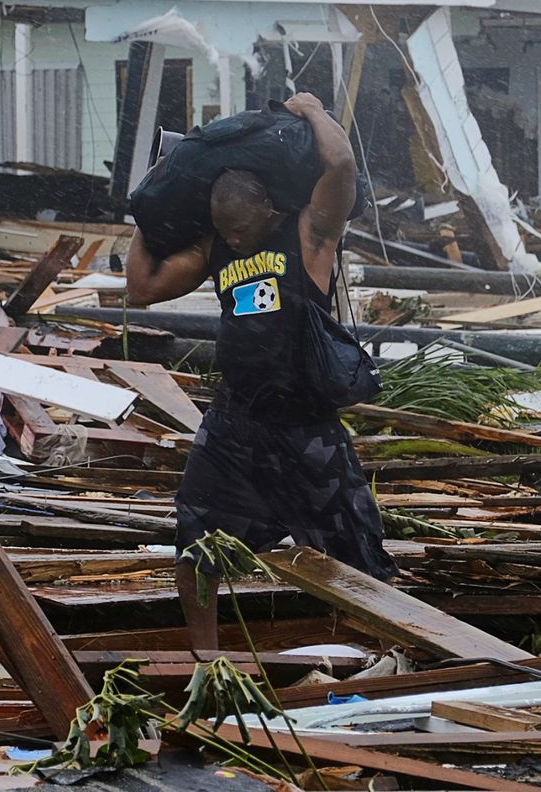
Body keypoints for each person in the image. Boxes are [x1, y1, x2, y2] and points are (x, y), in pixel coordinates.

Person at [124, 92, 394, 650]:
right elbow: (143, 288)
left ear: (266, 208)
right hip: (236, 419)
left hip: (304, 424)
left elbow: (340, 165)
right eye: (225, 232)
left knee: (357, 548)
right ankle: (208, 657)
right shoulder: (218, 244)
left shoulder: (309, 232)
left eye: (240, 230)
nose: (234, 241)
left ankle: (386, 649)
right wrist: (152, 204)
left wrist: (315, 112)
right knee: (197, 537)